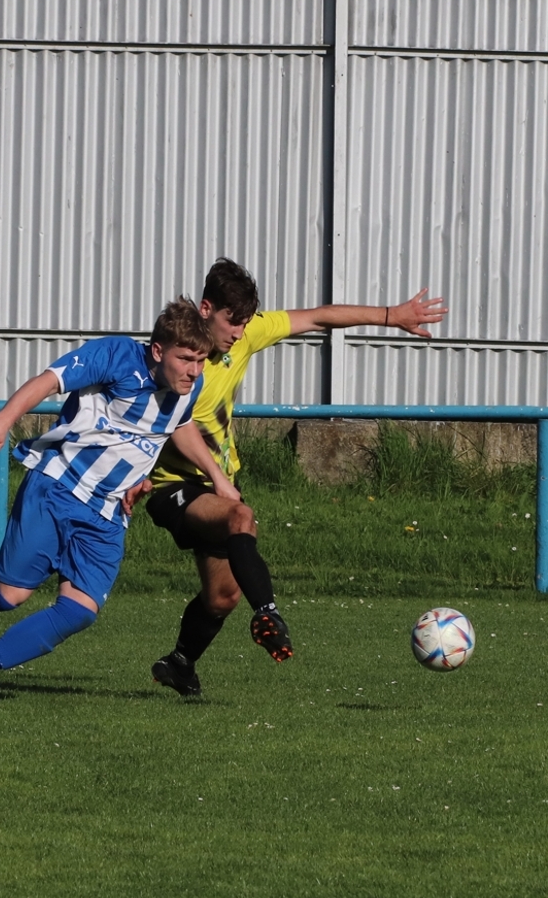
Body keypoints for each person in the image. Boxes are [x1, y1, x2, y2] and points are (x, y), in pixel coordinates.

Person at [139, 258, 448, 697]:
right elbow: (172, 424)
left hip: (215, 484)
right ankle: (267, 613)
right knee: (241, 518)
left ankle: (180, 663)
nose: (239, 332)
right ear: (206, 309)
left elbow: (319, 316)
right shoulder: (180, 357)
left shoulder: (243, 338)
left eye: (245, 322)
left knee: (222, 596)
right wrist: (215, 478)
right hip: (171, 484)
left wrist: (391, 316)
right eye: (232, 321)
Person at [0, 297, 233, 701]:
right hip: (59, 485)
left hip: (108, 510)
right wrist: (2, 421)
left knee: (80, 610)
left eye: (200, 361)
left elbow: (178, 426)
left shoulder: (189, 385)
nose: (194, 371)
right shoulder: (115, 356)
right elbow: (48, 381)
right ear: (158, 350)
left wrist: (216, 477)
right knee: (10, 594)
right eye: (185, 360)